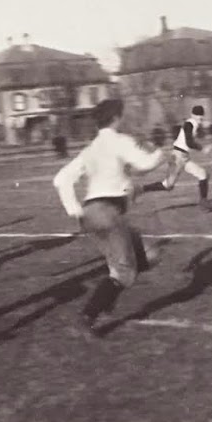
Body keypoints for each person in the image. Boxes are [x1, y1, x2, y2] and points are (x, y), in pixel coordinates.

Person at [53, 98, 169, 337]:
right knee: (124, 272)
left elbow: (61, 179)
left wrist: (75, 210)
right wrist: (160, 150)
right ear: (116, 117)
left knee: (151, 255)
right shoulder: (119, 141)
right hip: (108, 212)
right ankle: (87, 317)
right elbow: (145, 164)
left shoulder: (90, 149)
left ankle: (106, 298)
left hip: (91, 213)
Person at [148, 105, 212, 211]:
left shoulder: (192, 124)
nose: (200, 119)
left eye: (202, 117)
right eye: (199, 117)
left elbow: (188, 141)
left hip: (183, 157)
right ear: (193, 115)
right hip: (178, 157)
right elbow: (189, 142)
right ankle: (140, 189)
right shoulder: (189, 123)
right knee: (168, 185)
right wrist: (202, 148)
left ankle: (204, 201)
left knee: (203, 174)